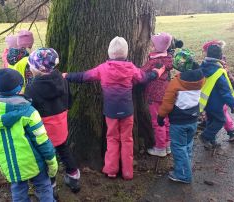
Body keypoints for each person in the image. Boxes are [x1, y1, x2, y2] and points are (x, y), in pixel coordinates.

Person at [63, 36, 165, 180]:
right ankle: (127, 172)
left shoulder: (103, 68)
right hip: (127, 111)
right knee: (127, 139)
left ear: (110, 53)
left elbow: (84, 76)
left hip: (110, 111)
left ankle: (111, 169)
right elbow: (144, 78)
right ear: (126, 53)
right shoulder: (131, 68)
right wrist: (157, 73)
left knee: (112, 138)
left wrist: (67, 75)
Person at [0, 68, 58, 201]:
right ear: (19, 89)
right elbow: (42, 141)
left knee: (18, 191)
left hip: (11, 166)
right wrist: (52, 161)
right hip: (34, 163)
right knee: (44, 187)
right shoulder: (29, 112)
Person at [24, 48, 81, 195]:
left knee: (47, 158)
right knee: (64, 149)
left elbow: (30, 111)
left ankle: (51, 186)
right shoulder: (63, 80)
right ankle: (74, 177)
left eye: (31, 65)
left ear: (38, 68)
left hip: (43, 131)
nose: (30, 67)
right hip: (61, 126)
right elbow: (69, 100)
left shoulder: (31, 88)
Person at [157, 49, 204, 183]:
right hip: (193, 119)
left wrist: (161, 116)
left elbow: (167, 103)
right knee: (187, 145)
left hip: (179, 122)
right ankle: (185, 166)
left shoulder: (176, 83)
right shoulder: (200, 79)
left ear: (180, 70)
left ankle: (183, 174)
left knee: (178, 147)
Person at [199, 44, 234, 149]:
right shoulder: (219, 72)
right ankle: (205, 136)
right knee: (220, 120)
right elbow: (225, 91)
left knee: (211, 121)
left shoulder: (203, 66)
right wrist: (232, 104)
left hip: (206, 101)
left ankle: (212, 141)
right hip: (216, 103)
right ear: (221, 57)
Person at [141, 32, 174, 157]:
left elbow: (140, 73)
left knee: (157, 121)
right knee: (165, 119)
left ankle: (160, 148)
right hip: (166, 93)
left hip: (154, 95)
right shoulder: (168, 59)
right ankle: (167, 144)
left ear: (155, 47)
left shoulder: (154, 61)